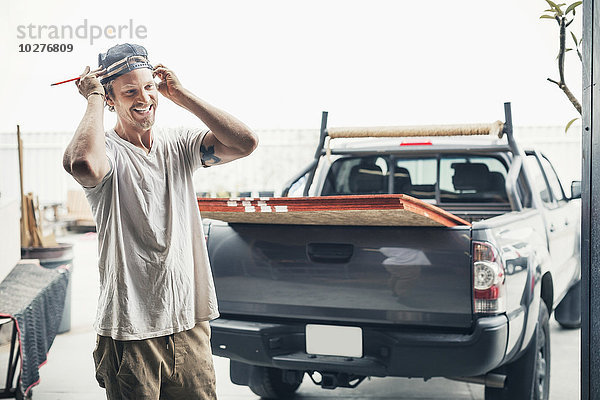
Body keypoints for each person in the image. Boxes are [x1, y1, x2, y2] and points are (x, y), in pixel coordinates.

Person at [62, 43, 258, 399]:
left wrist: (182, 94)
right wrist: (92, 98)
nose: (144, 98)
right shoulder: (106, 153)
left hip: (188, 321)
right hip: (131, 327)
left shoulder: (180, 145)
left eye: (149, 87)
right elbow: (82, 165)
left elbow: (245, 142)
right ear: (111, 99)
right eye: (130, 91)